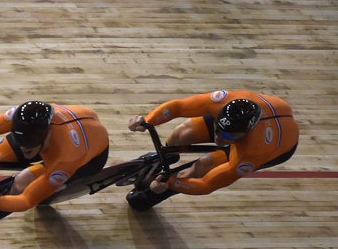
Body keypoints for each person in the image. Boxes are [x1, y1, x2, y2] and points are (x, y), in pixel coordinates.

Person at [125, 90, 299, 211]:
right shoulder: (224, 100)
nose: (218, 140)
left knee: (202, 167)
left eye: (227, 139)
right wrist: (147, 120)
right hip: (252, 123)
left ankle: (156, 194)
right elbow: (178, 107)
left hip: (277, 147)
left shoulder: (254, 151)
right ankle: (163, 160)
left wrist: (170, 183)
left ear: (244, 133)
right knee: (181, 133)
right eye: (217, 130)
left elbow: (207, 184)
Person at [0, 101, 110, 224]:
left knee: (23, 181)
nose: (23, 150)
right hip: (50, 136)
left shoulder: (67, 157)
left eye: (28, 148)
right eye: (20, 143)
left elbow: (26, 201)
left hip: (88, 158)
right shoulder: (23, 116)